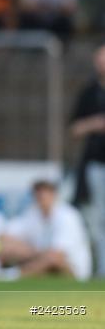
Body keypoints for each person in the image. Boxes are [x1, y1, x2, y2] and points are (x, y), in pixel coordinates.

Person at [0, 179, 91, 280]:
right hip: (44, 259)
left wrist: (31, 253)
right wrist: (25, 250)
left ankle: (16, 275)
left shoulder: (67, 216)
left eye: (43, 195)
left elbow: (58, 254)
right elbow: (5, 234)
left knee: (53, 258)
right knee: (7, 247)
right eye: (37, 196)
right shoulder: (33, 213)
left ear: (53, 195)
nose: (40, 199)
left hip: (73, 269)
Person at [69, 43, 105, 278]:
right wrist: (96, 124)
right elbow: (74, 128)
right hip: (96, 164)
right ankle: (101, 269)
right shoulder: (89, 92)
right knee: (99, 220)